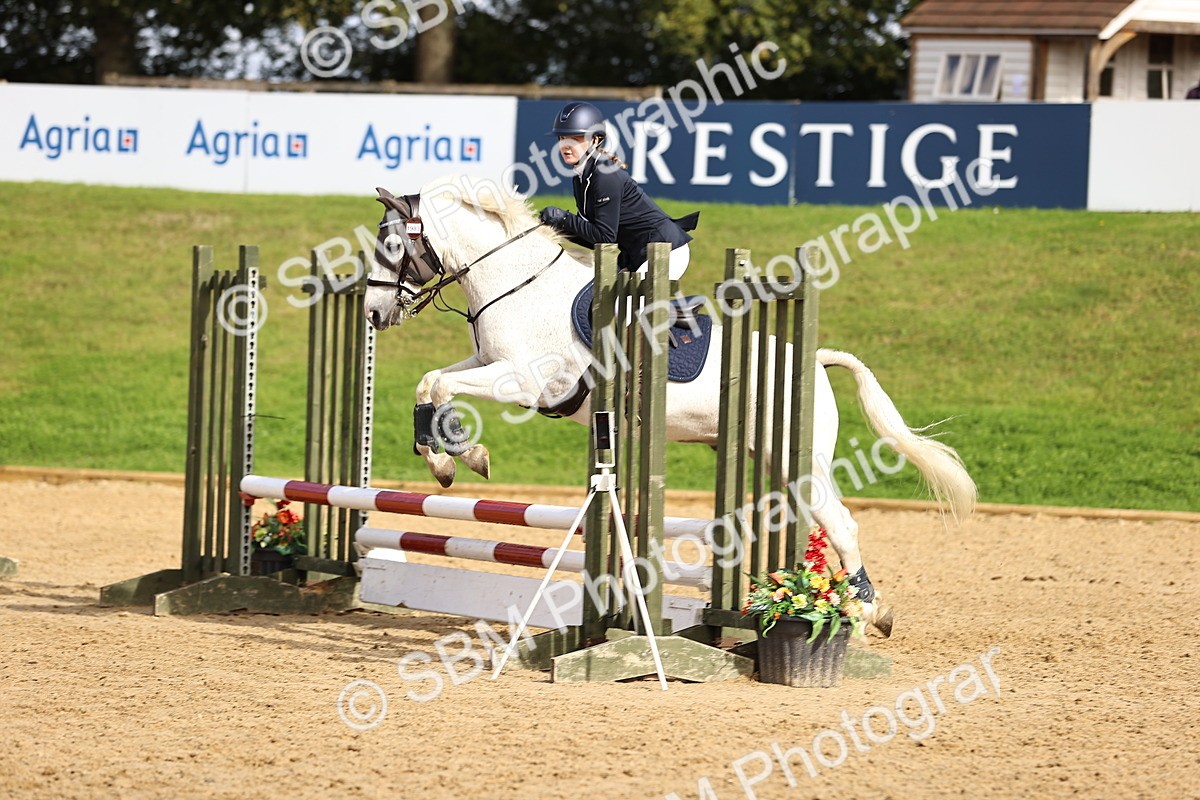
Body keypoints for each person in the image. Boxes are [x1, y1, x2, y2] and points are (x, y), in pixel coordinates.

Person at [538, 101, 698, 280]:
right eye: (561, 138)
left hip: (665, 250)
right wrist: (557, 226)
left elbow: (605, 237)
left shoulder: (605, 176)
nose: (565, 145)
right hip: (638, 253)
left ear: (595, 140)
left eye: (575, 139)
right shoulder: (581, 177)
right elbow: (597, 239)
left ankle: (680, 309)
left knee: (621, 307)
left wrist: (565, 218)